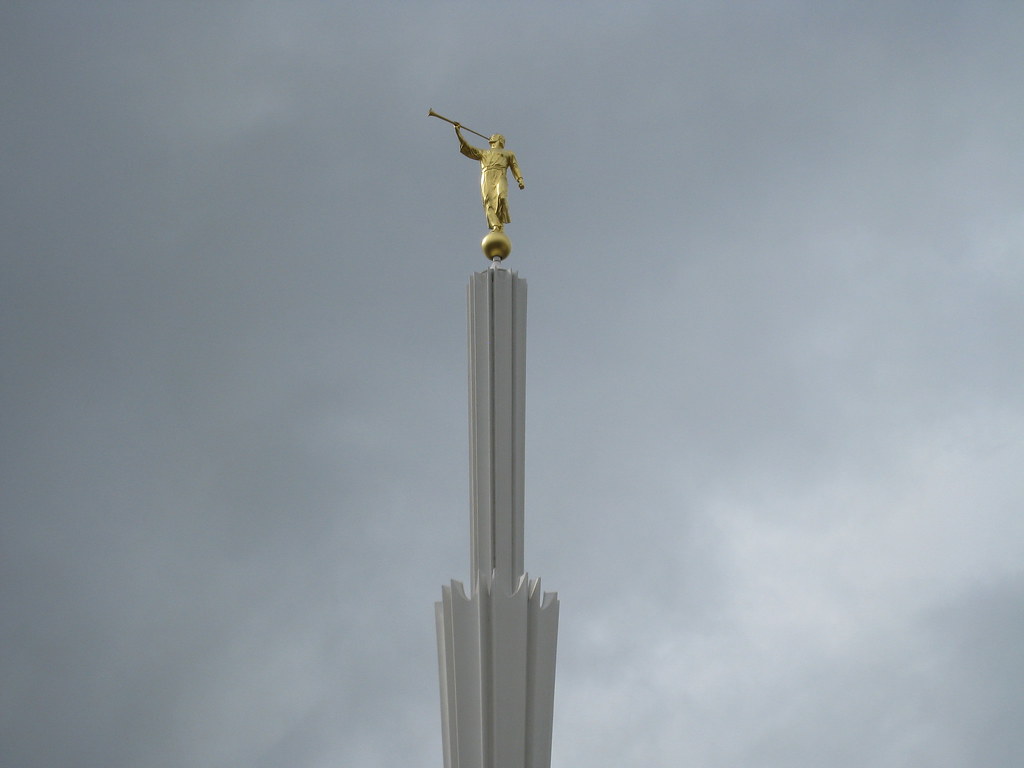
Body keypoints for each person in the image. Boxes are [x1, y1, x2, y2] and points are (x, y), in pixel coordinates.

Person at [455, 124, 524, 231]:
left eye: (494, 136)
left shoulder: (508, 153)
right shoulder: (484, 153)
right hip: (487, 175)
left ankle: (502, 219)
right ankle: (496, 225)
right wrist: (458, 132)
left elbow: (515, 166)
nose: (491, 137)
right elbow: (468, 148)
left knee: (502, 196)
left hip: (500, 173)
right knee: (488, 202)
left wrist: (520, 179)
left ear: (499, 140)